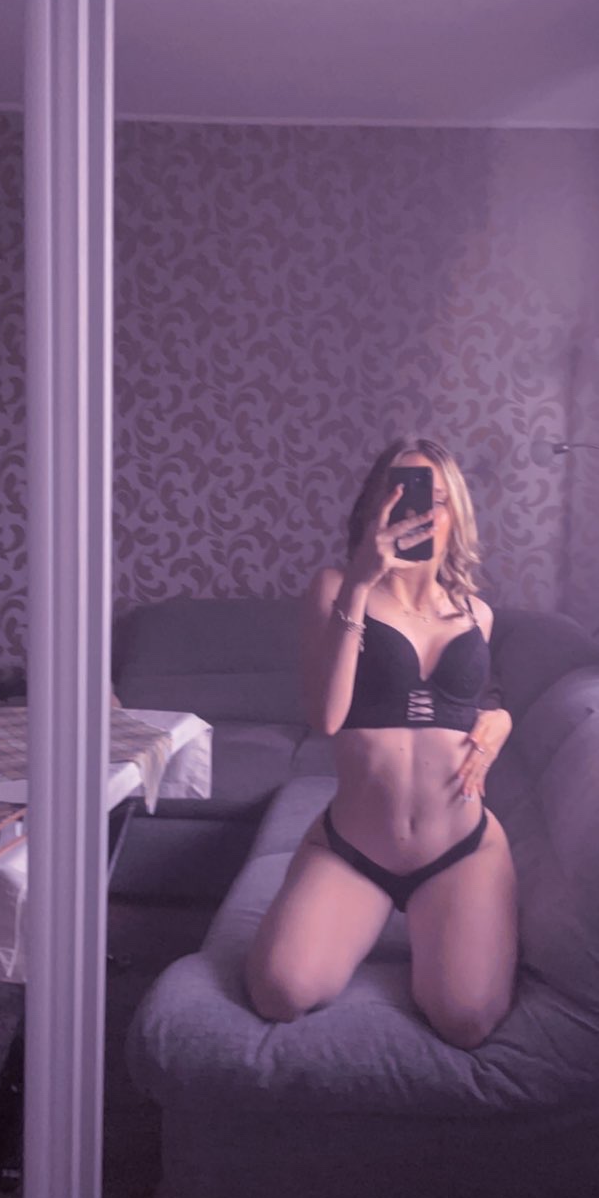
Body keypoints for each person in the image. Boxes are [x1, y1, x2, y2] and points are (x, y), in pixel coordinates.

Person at [245, 437, 519, 1050]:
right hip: (355, 848)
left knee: (466, 1019)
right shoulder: (336, 586)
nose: (422, 513)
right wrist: (361, 584)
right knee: (279, 991)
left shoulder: (477, 613)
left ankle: (449, 927)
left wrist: (501, 718)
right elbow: (327, 716)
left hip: (461, 846)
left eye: (437, 500)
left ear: (456, 513)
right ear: (377, 507)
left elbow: (479, 701)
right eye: (405, 497)